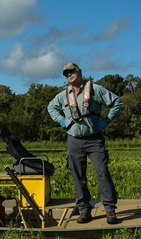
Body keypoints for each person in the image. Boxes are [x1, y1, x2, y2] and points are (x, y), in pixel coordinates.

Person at [47, 62, 123, 224]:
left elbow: (117, 102)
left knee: (102, 173)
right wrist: (61, 120)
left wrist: (106, 120)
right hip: (73, 140)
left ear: (79, 71)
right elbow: (51, 107)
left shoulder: (96, 89)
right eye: (66, 73)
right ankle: (84, 210)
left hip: (94, 139)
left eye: (71, 71)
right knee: (78, 176)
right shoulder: (63, 95)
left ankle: (110, 210)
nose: (69, 75)